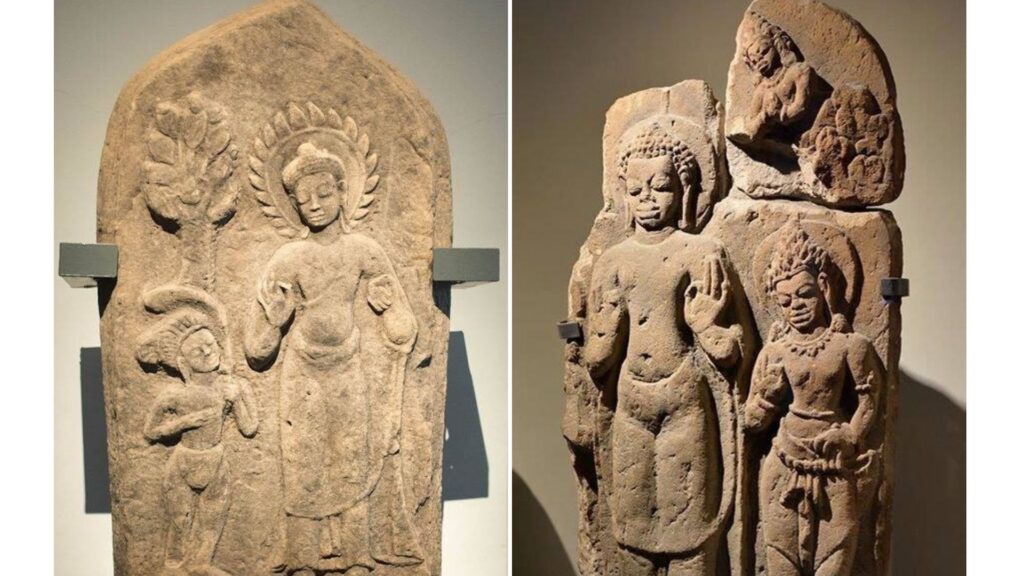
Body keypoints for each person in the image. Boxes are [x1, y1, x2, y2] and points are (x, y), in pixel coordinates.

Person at [245, 142, 421, 576]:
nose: (315, 205)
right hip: (302, 370)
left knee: (352, 460)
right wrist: (275, 322)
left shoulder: (364, 250)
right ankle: (303, 560)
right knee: (302, 463)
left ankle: (357, 558)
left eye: (324, 193)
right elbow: (256, 350)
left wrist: (389, 310)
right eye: (303, 199)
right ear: (292, 204)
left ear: (343, 192)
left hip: (349, 367)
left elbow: (405, 330)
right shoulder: (287, 258)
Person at [583, 120, 750, 576]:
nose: (648, 200)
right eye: (636, 190)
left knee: (689, 529)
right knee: (631, 529)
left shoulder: (702, 253)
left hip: (684, 397)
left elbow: (734, 352)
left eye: (660, 188)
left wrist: (705, 326)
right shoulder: (613, 261)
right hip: (631, 398)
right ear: (623, 194)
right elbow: (597, 361)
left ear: (685, 190)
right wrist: (604, 332)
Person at [744, 220, 884, 576]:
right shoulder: (774, 352)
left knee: (834, 561)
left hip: (833, 464)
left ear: (823, 286)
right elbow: (752, 421)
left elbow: (870, 403)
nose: (796, 306)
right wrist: (766, 397)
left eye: (804, 294)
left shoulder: (850, 346)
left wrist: (849, 434)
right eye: (785, 300)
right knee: (782, 562)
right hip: (783, 461)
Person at [137, 308, 259, 576]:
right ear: (184, 362)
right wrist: (186, 422)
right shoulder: (175, 395)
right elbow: (150, 431)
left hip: (216, 462)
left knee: (211, 521)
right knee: (179, 520)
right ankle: (172, 566)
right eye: (196, 351)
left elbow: (250, 428)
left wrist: (237, 400)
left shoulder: (234, 386)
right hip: (183, 462)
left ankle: (201, 563)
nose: (206, 352)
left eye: (210, 344)